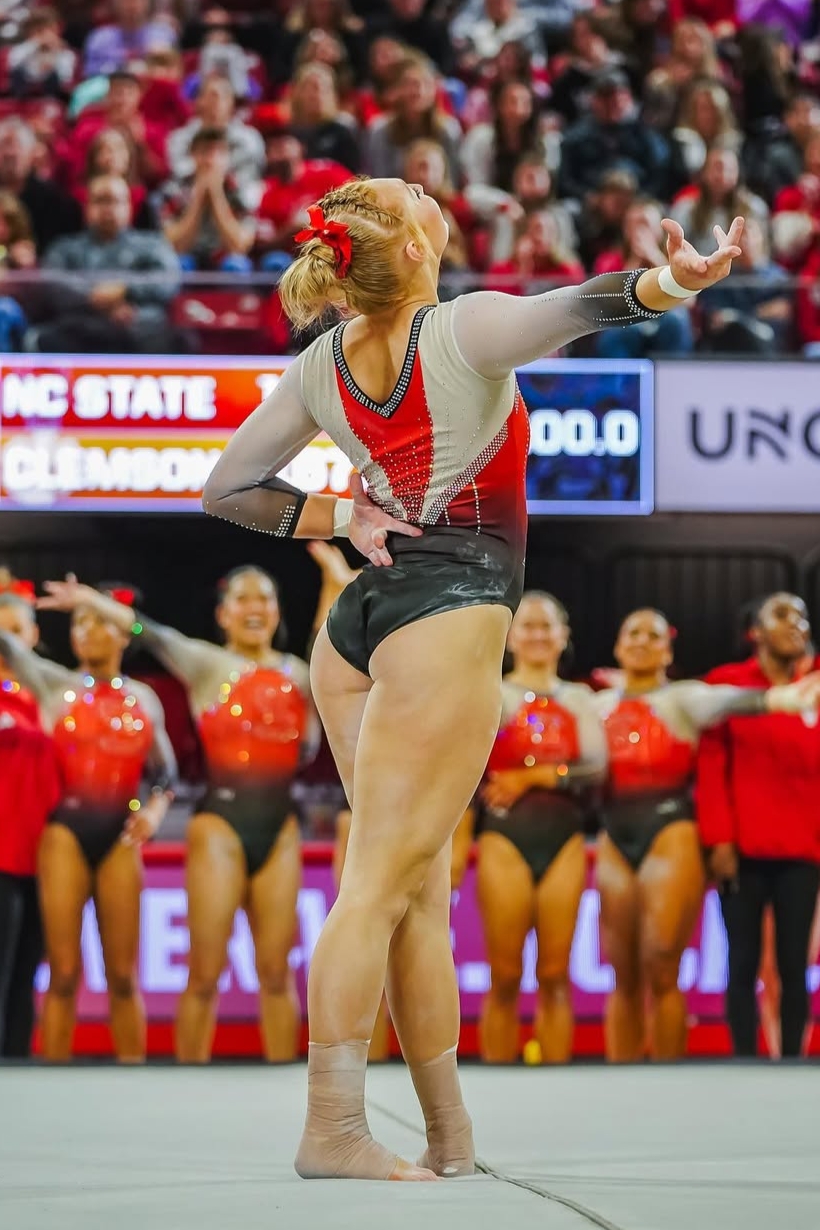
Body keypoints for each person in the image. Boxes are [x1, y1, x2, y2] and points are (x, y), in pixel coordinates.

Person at [200, 169, 743, 1176]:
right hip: (443, 616)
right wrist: (674, 284)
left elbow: (224, 487)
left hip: (356, 631)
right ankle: (333, 1128)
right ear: (410, 248)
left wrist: (336, 515)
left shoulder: (323, 362)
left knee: (410, 886)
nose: (426, 190)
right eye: (413, 194)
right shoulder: (460, 330)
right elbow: (579, 309)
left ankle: (449, 1136)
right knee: (377, 884)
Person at [40, 570, 317, 1064]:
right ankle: (189, 1080)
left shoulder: (301, 673)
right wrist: (94, 603)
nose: (254, 606)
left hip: (281, 825)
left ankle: (294, 1093)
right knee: (205, 974)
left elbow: (336, 656)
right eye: (242, 598)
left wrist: (337, 585)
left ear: (277, 611)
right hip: (221, 825)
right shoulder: (207, 663)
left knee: (277, 973)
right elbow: (149, 631)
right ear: (223, 614)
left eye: (265, 597)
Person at [594, 608, 820, 1062]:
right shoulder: (594, 705)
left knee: (661, 964)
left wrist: (786, 698)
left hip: (671, 830)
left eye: (653, 635)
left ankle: (670, 1075)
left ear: (668, 650)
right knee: (624, 972)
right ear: (618, 647)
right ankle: (618, 1077)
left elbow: (744, 701)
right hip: (613, 833)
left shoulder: (687, 697)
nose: (641, 641)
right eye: (632, 633)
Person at [0, 582, 176, 1063]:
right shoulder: (55, 686)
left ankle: (133, 1082)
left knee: (122, 975)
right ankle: (54, 1081)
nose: (91, 630)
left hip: (120, 838)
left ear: (123, 636)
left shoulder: (144, 698)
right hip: (65, 837)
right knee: (62, 973)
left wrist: (156, 808)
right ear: (71, 639)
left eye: (102, 621)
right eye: (80, 623)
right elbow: (9, 644)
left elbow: (165, 773)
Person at [476, 592, 605, 1064]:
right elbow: (463, 764)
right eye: (526, 625)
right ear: (510, 636)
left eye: (546, 626)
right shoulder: (492, 692)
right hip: (504, 836)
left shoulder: (579, 699)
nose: (536, 635)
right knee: (505, 974)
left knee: (554, 974)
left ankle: (556, 1080)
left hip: (564, 838)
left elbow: (596, 767)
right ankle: (494, 1078)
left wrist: (534, 775)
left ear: (563, 636)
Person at [697, 593, 820, 1058]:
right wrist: (719, 839)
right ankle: (744, 1059)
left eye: (803, 617)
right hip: (741, 851)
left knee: (794, 965)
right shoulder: (726, 686)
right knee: (742, 962)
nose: (798, 625)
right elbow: (710, 771)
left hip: (804, 851)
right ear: (756, 632)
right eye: (784, 616)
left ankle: (792, 1058)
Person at [0, 583, 62, 1058]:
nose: (9, 642)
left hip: (43, 857)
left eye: (17, 630)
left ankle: (17, 1066)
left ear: (35, 633)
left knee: (25, 973)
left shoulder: (49, 694)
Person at [38, 174, 180, 353]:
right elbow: (53, 283)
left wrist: (124, 289)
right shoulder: (64, 248)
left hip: (139, 329)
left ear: (129, 207)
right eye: (100, 201)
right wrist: (95, 297)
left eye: (115, 201)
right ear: (87, 207)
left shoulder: (153, 245)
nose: (108, 209)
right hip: (80, 329)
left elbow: (168, 280)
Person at [159, 127, 256, 272]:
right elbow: (176, 246)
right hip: (188, 257)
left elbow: (238, 247)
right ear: (193, 154)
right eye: (205, 152)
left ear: (228, 156)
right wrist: (198, 198)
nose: (211, 160)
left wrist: (216, 195)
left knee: (236, 265)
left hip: (225, 259)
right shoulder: (175, 190)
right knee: (177, 264)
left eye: (219, 152)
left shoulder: (241, 192)